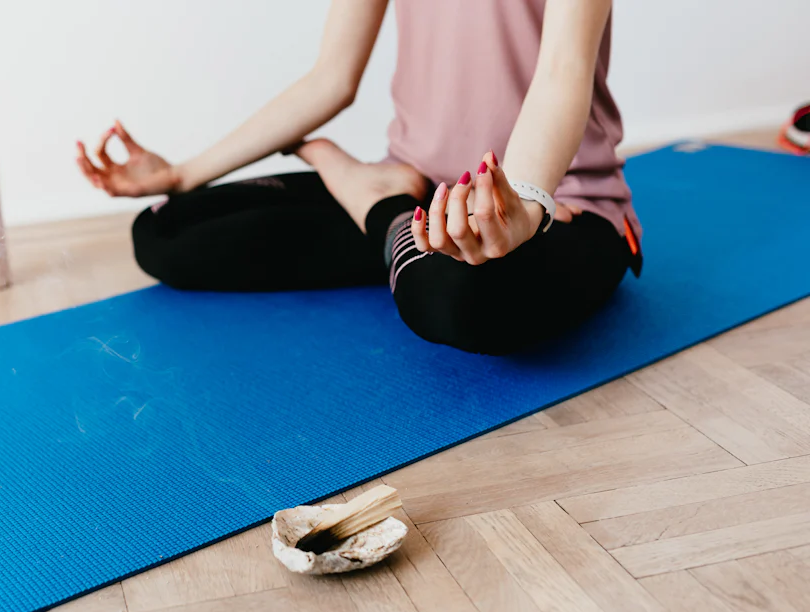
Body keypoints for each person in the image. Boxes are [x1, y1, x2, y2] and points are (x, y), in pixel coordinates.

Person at [76, 0, 642, 355]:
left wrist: (523, 203)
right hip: (423, 184)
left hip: (557, 203)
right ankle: (394, 217)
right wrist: (181, 172)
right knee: (165, 231)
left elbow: (563, 70)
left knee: (461, 304)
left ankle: (380, 210)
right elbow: (332, 78)